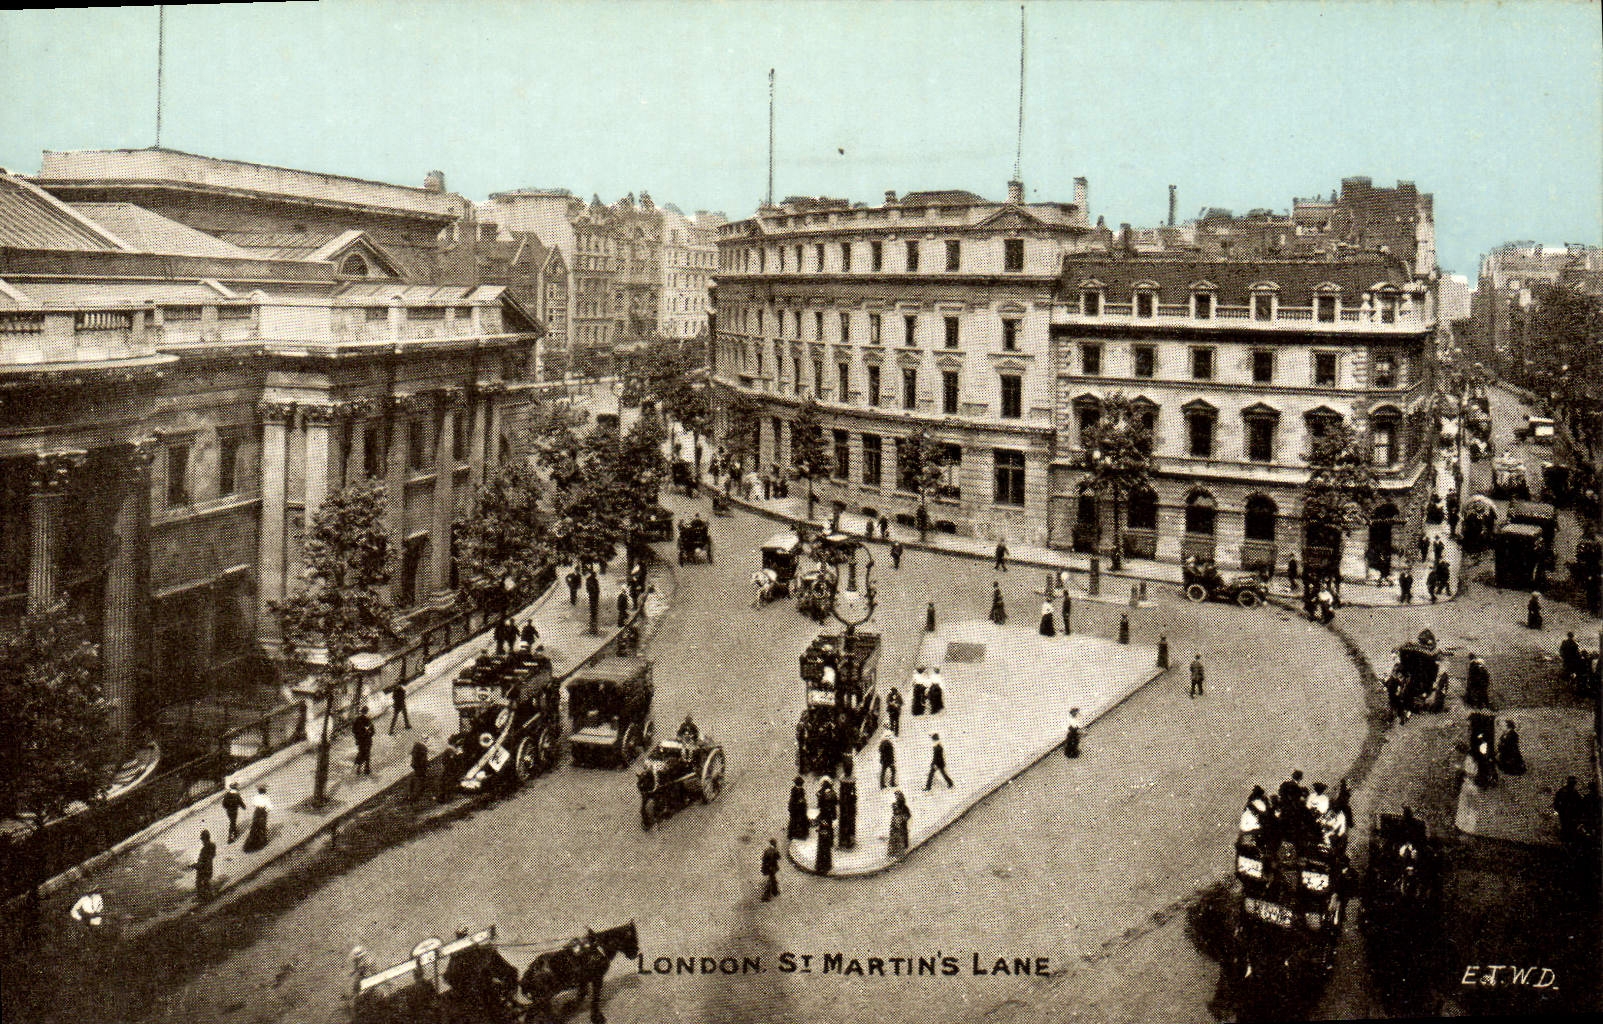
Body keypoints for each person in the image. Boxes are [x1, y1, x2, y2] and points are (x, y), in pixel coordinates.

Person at [1554, 776, 1583, 846]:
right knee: (1566, 827)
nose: (1573, 784)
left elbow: (1580, 804)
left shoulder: (1575, 792)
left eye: (1574, 783)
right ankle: (1566, 843)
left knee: (1571, 828)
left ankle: (1570, 843)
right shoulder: (1563, 791)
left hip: (1572, 814)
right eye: (1572, 783)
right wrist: (1558, 811)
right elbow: (1556, 803)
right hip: (1565, 813)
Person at [242, 785, 272, 852]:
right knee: (262, 826)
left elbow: (253, 804)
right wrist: (265, 811)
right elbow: (269, 807)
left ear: (259, 791)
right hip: (262, 812)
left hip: (257, 812)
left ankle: (252, 842)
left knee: (255, 826)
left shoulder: (256, 797)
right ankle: (262, 842)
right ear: (265, 791)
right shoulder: (266, 798)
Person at [192, 829, 217, 898]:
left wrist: (195, 865)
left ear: (204, 839)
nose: (202, 841)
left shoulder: (205, 849)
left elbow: (203, 861)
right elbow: (211, 856)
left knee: (201, 881)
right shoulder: (212, 845)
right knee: (205, 881)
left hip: (204, 868)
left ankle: (205, 895)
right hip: (208, 867)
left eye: (202, 839)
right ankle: (208, 894)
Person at [351, 706, 375, 776]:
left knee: (361, 753)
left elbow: (353, 730)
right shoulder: (368, 720)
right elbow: (373, 731)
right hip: (367, 740)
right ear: (367, 712)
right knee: (367, 754)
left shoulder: (357, 720)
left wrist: (357, 737)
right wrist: (369, 734)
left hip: (360, 740)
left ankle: (359, 768)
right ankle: (366, 769)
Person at [888, 791, 911, 859]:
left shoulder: (904, 807)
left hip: (901, 824)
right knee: (894, 836)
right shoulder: (895, 805)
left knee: (900, 836)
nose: (897, 798)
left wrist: (902, 818)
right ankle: (892, 851)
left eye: (898, 797)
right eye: (896, 797)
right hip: (895, 822)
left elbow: (908, 815)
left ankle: (899, 851)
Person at [838, 773, 858, 849]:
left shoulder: (842, 788)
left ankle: (842, 840)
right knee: (850, 825)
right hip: (850, 809)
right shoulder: (852, 789)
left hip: (844, 808)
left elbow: (840, 799)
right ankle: (849, 841)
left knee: (843, 824)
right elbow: (854, 798)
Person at [585, 570, 601, 635]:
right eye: (595, 575)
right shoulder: (591, 581)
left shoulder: (590, 581)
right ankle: (593, 629)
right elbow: (591, 589)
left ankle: (593, 628)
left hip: (593, 597)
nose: (595, 576)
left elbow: (596, 589)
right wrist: (594, 592)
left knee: (593, 611)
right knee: (593, 612)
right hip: (593, 597)